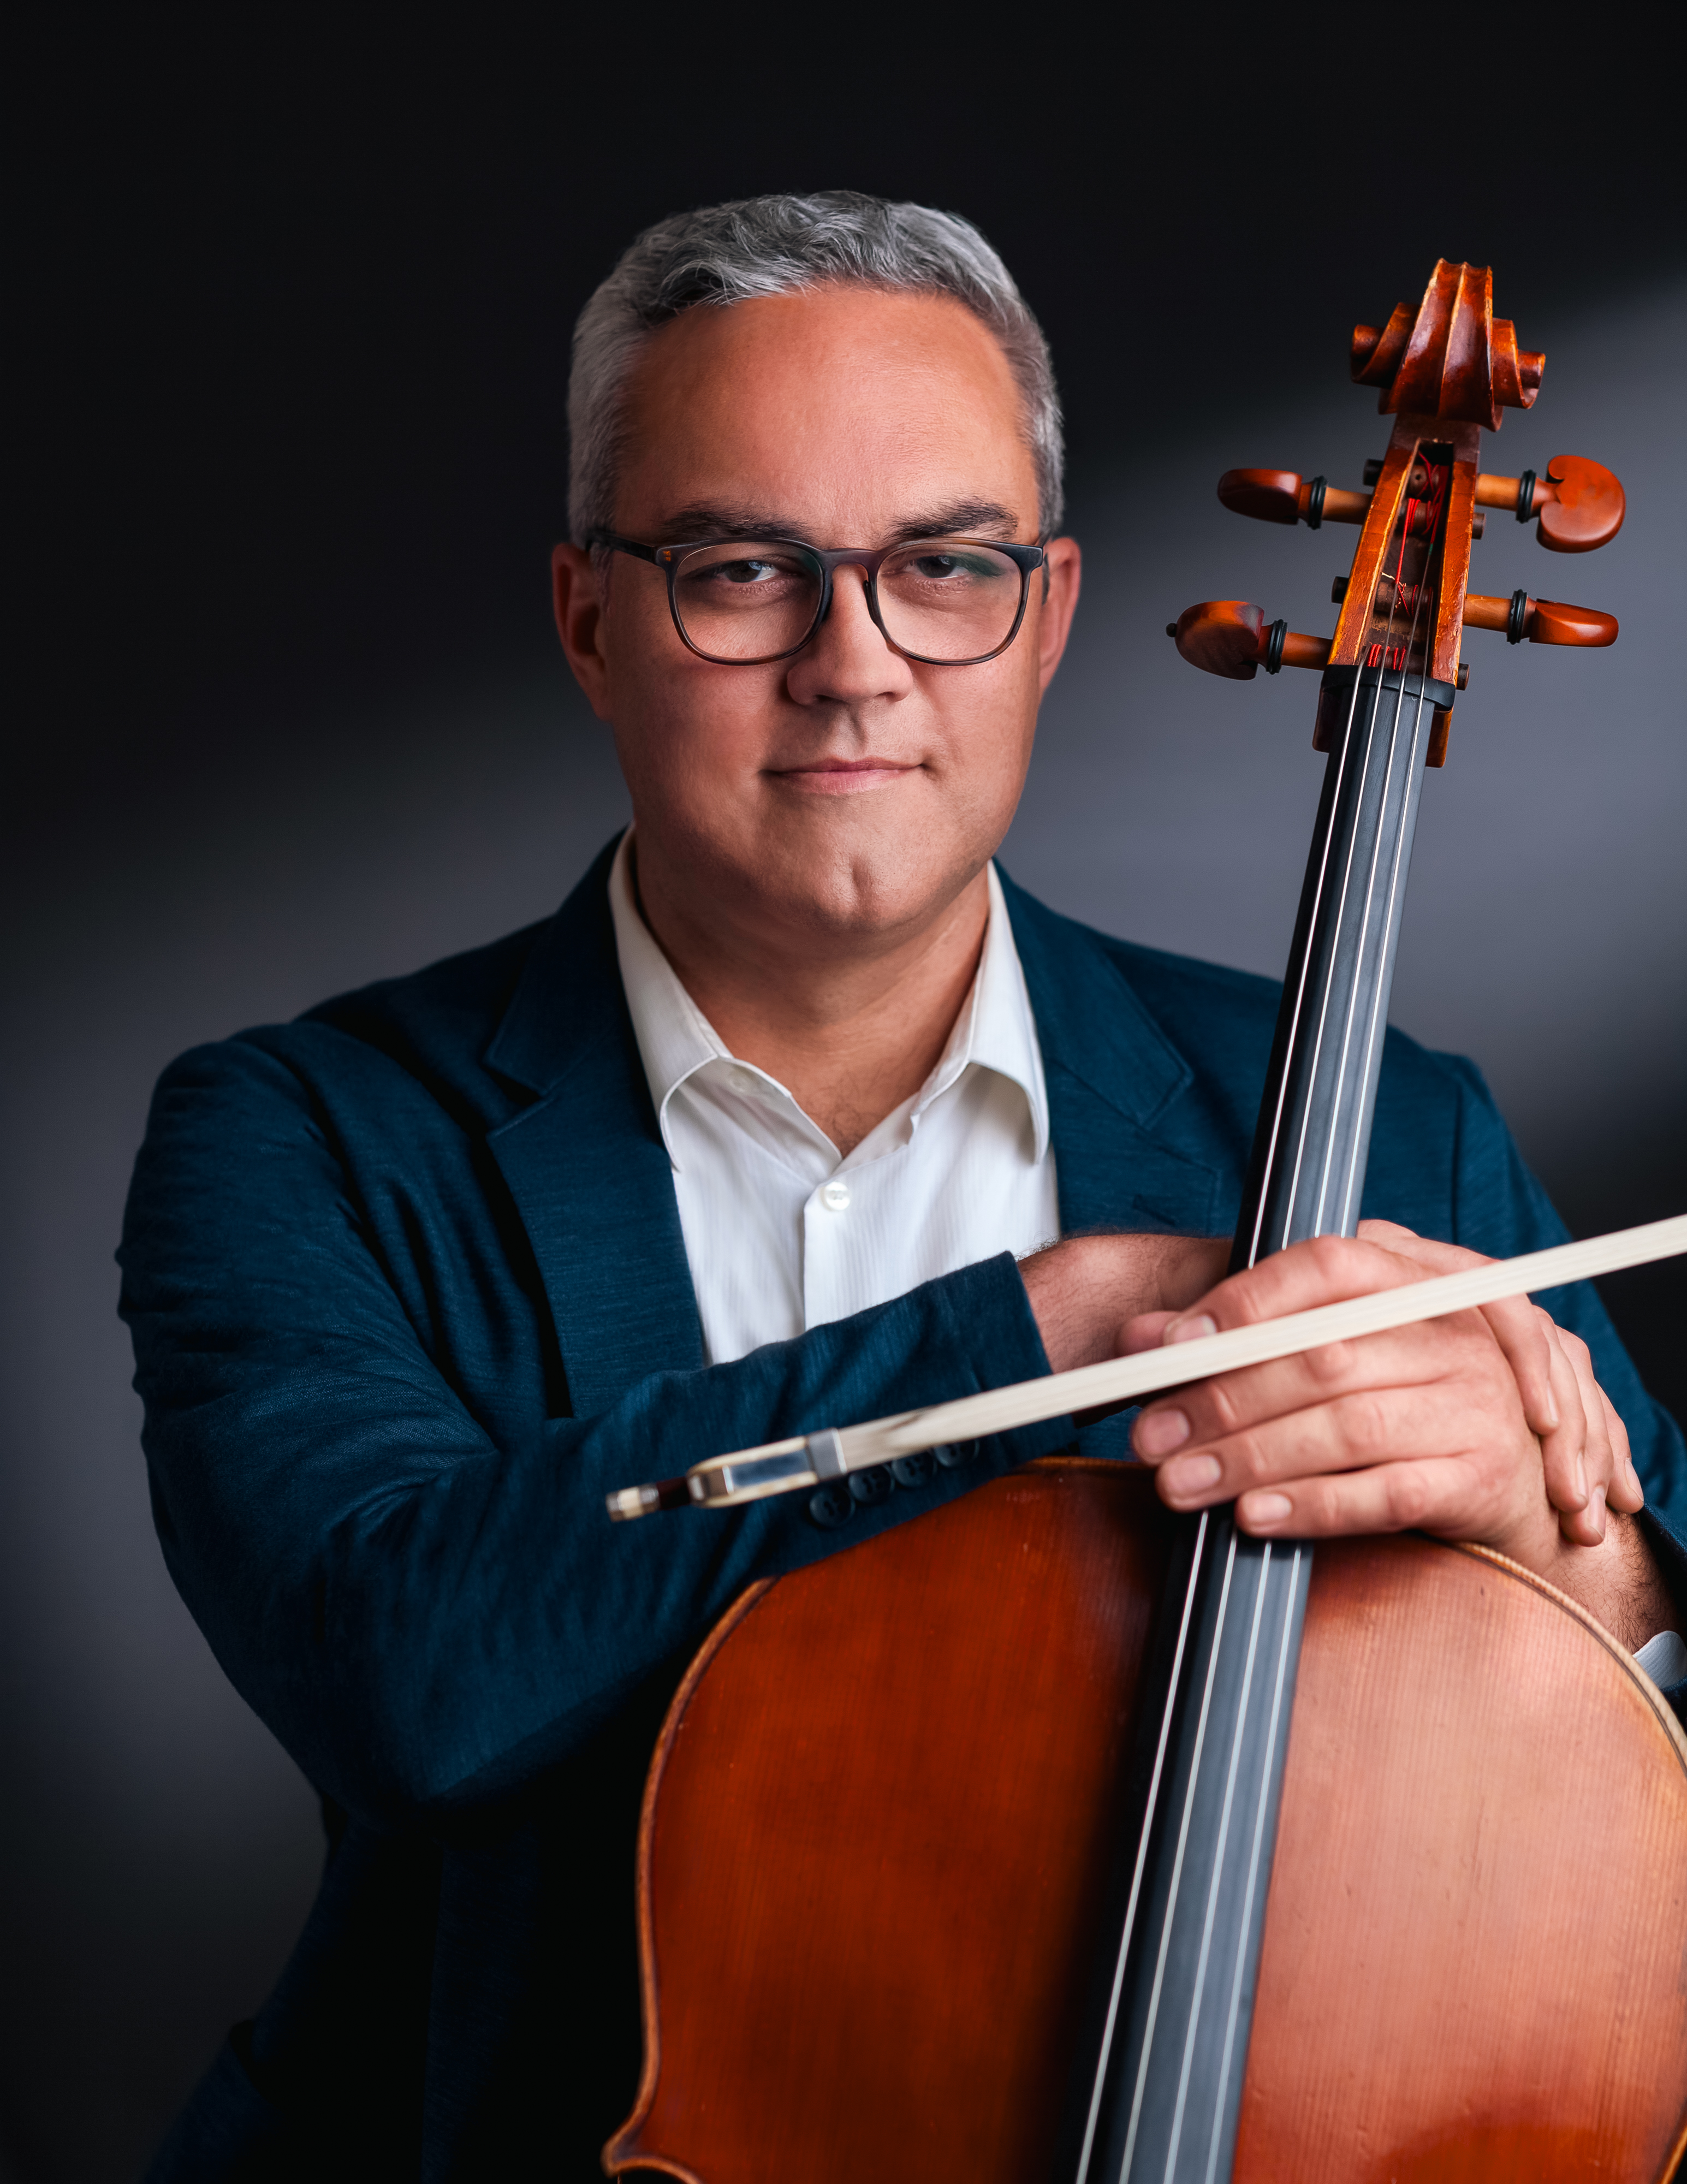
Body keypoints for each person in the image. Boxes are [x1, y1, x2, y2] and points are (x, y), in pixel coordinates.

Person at [119, 192, 1686, 2182]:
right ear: (589, 620)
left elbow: (1666, 1663)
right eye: (740, 570)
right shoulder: (309, 1135)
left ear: (1048, 612)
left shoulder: (1385, 1131)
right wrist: (1045, 1328)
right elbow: (402, 1676)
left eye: (944, 567)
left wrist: (1579, 1575)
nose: (851, 666)